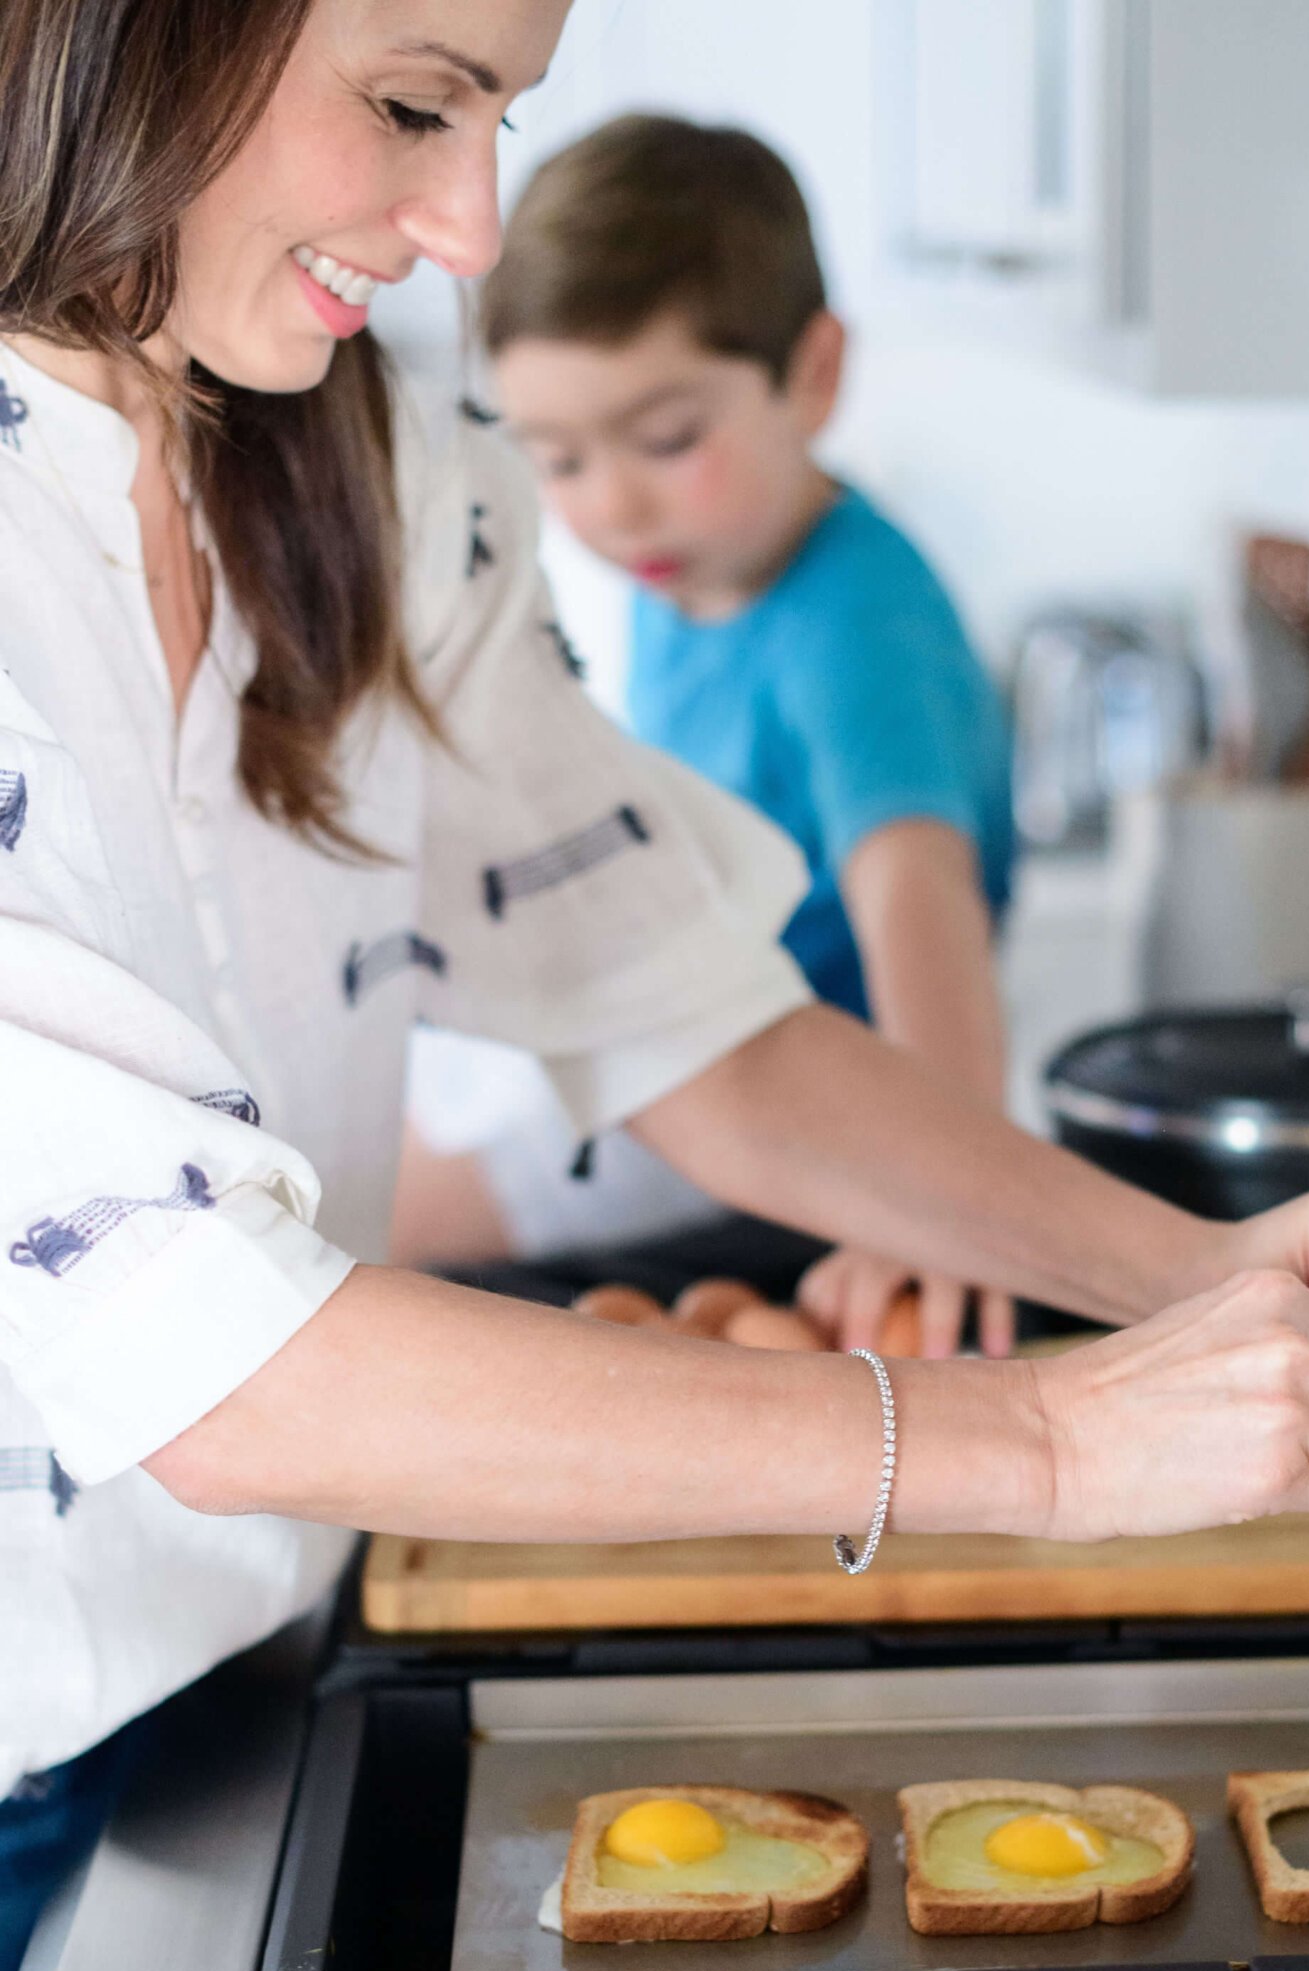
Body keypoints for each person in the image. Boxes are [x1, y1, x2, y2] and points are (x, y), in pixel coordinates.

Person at [0, 0, 1309, 1971]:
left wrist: (1199, 1277)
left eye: (505, 116)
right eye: (414, 101)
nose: (468, 223)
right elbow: (212, 1356)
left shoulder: (367, 460)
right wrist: (1045, 1437)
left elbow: (688, 1012)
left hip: (240, 1700)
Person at [410, 112, 1018, 1358]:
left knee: (373, 1240)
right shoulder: (693, 566)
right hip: (690, 1032)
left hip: (786, 1104)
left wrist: (951, 1206)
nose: (612, 502)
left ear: (816, 373)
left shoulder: (854, 619)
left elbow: (919, 894)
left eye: (668, 438)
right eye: (558, 458)